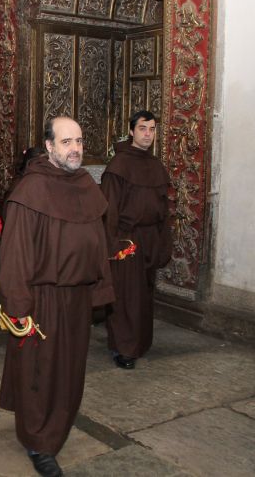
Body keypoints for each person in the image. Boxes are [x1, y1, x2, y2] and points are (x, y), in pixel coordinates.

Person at [0, 116, 114, 477]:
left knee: (69, 371)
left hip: (78, 297)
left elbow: (99, 244)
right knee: (40, 371)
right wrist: (18, 306)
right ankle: (39, 441)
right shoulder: (31, 190)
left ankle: (55, 424)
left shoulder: (86, 186)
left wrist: (101, 290)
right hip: (42, 297)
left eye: (79, 140)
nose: (75, 148)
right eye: (66, 142)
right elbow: (15, 254)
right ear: (48, 146)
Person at [101, 110, 172, 370]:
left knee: (144, 294)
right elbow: (109, 209)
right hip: (126, 239)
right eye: (142, 128)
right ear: (131, 131)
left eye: (152, 129)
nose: (148, 134)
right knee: (126, 296)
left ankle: (139, 342)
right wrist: (114, 243)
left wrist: (163, 239)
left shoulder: (155, 165)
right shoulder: (118, 166)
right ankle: (123, 347)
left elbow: (164, 207)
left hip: (150, 237)